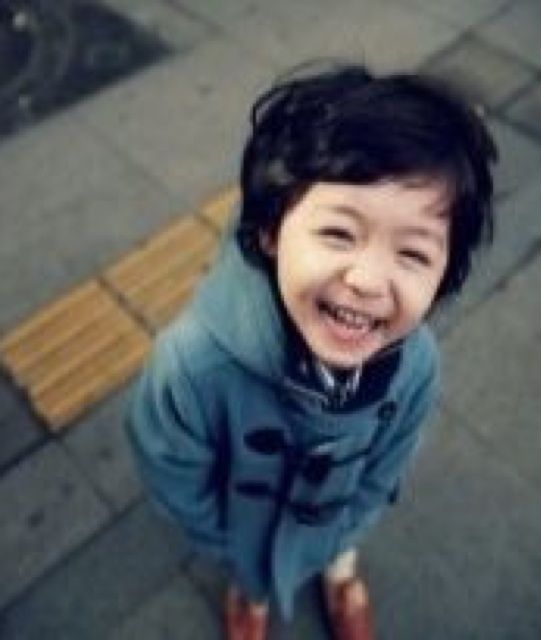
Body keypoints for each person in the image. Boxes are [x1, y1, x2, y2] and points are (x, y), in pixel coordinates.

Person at [127, 63, 497, 640]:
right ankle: (249, 591)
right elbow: (172, 467)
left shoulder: (416, 364)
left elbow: (388, 463)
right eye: (339, 234)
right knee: (252, 570)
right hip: (242, 534)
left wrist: (351, 525)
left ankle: (339, 570)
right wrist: (221, 541)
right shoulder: (192, 364)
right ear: (271, 232)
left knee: (338, 542)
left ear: (444, 276)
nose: (368, 280)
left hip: (338, 519)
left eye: (413, 254)